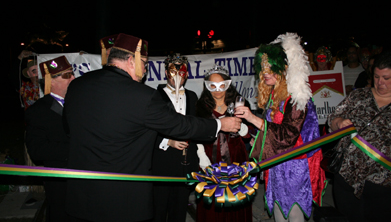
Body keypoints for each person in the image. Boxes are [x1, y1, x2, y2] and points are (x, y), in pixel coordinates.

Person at [64, 33, 241, 222]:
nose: (146, 69)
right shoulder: (143, 96)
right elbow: (180, 125)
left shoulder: (77, 86)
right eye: (145, 63)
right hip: (123, 201)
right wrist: (220, 123)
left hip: (81, 195)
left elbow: (68, 129)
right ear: (132, 60)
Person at [235, 33, 326, 222]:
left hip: (295, 167)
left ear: (283, 69)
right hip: (276, 165)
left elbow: (287, 135)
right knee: (277, 212)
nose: (265, 72)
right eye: (263, 68)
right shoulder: (274, 96)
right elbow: (270, 132)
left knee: (293, 214)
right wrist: (251, 136)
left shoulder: (297, 98)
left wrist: (252, 118)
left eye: (270, 68)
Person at [327, 50, 391, 222]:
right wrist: (339, 123)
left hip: (387, 185)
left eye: (386, 78)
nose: (379, 82)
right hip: (348, 179)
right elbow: (333, 118)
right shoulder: (359, 95)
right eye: (376, 76)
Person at [195, 64, 252, 222]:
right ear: (207, 86)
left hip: (236, 157)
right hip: (210, 159)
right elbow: (195, 133)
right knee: (213, 204)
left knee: (236, 200)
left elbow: (251, 134)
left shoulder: (239, 103)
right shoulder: (201, 107)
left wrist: (242, 127)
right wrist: (201, 157)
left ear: (229, 84)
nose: (217, 90)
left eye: (222, 85)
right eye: (212, 85)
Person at [25, 55, 75, 222]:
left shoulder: (79, 103)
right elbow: (37, 150)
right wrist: (75, 149)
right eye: (67, 75)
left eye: (72, 73)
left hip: (84, 178)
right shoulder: (38, 111)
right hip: (60, 180)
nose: (73, 78)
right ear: (51, 81)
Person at [152, 53, 199, 222]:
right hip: (162, 163)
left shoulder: (193, 97)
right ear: (166, 73)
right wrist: (167, 141)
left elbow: (198, 125)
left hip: (186, 164)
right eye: (173, 72)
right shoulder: (155, 97)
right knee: (159, 208)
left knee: (179, 209)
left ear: (186, 74)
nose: (177, 77)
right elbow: (147, 128)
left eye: (181, 73)